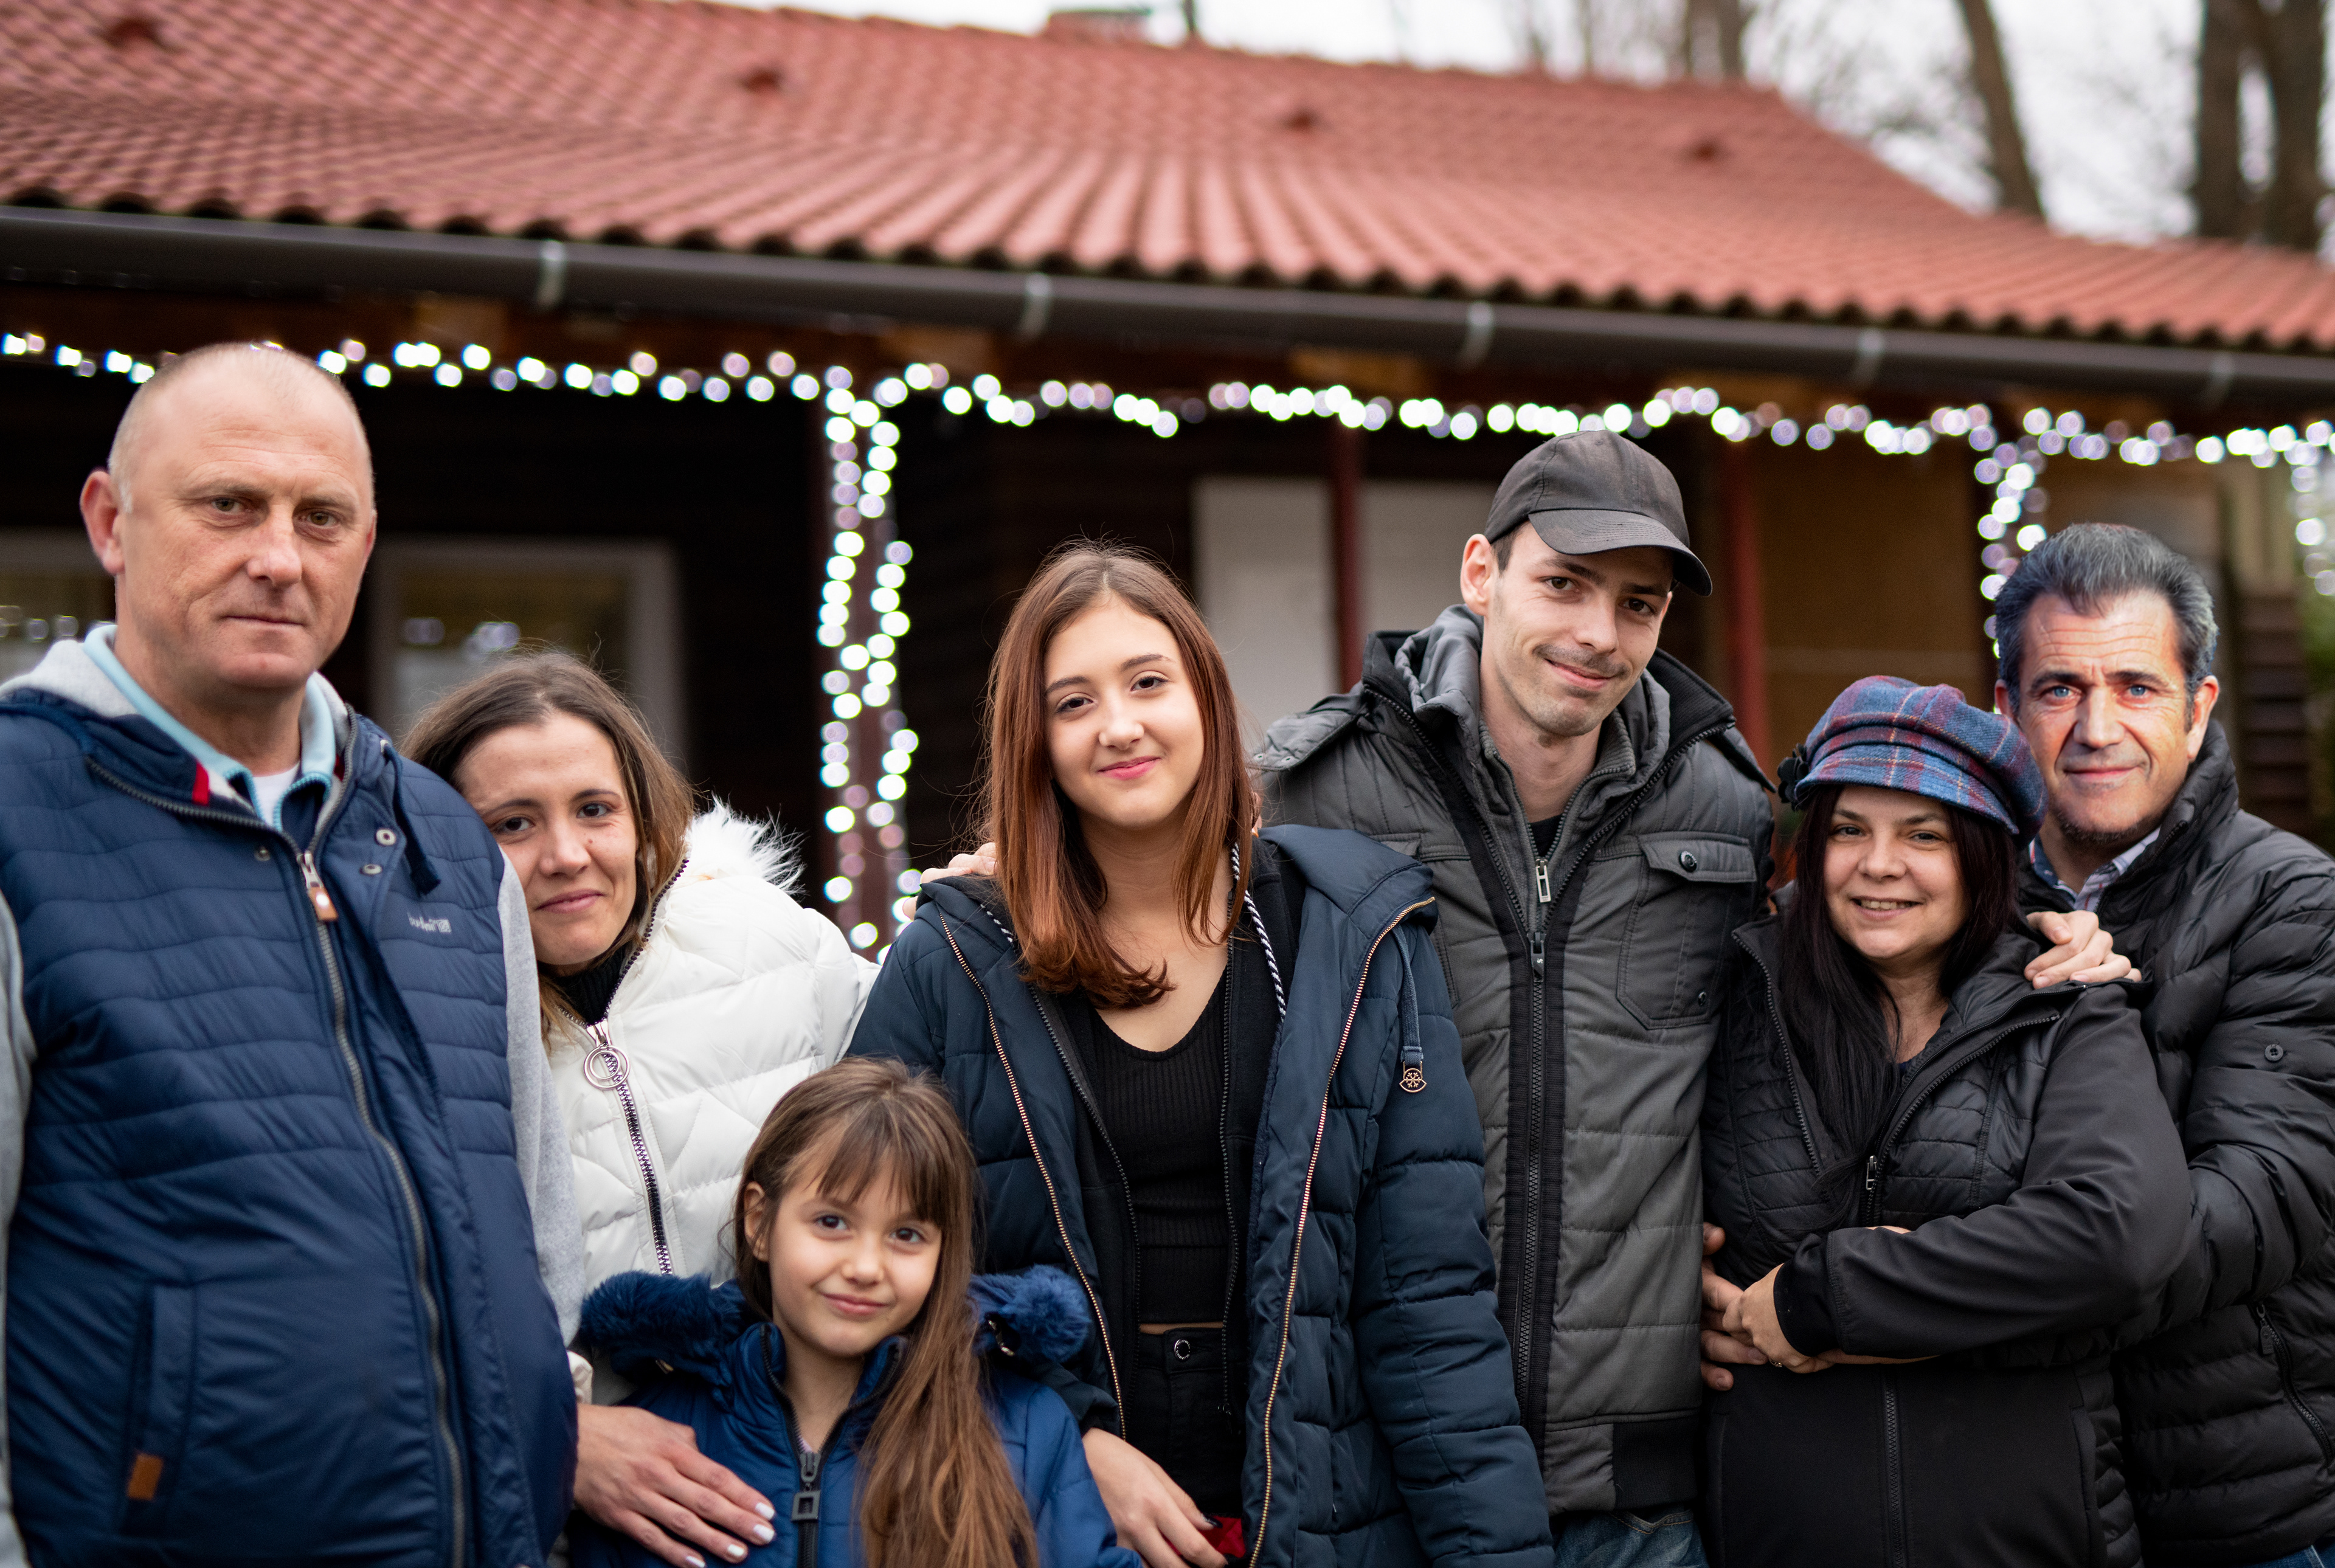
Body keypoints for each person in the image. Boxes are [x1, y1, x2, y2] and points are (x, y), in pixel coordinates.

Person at [1259, 427, 2127, 1562]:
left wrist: (2050, 922)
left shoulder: (1720, 805)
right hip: (1381, 1454)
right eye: (1563, 584)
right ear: (1481, 573)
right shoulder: (1318, 786)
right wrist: (999, 878)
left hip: (1641, 1485)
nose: (1596, 634)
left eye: (1638, 604)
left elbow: (1871, 912)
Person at [849, 541, 1555, 1568]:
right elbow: (858, 1266)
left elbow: (1429, 1309)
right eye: (1074, 701)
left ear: (1207, 700)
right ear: (1034, 738)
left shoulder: (1349, 937)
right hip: (1043, 1520)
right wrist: (1060, 1434)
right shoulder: (952, 961)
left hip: (1322, 1520)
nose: (1121, 724)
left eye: (1148, 682)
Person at [0, 341, 579, 1564]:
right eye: (228, 507)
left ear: (364, 548)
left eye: (322, 518)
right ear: (111, 522)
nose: (277, 556)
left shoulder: (440, 841)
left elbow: (534, 1227)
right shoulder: (16, 817)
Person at [1697, 677, 2189, 1566]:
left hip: (2027, 1541)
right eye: (1849, 830)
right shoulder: (1739, 995)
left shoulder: (2064, 1008)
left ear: (1983, 855)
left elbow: (2117, 1232)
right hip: (1772, 1535)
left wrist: (1827, 1300)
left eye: (1923, 834)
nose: (1878, 865)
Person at [407, 653, 877, 1568]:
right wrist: (561, 1435)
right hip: (574, 1527)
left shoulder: (774, 946)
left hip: (819, 1486)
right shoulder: (425, 1024)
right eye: (513, 824)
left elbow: (933, 1117)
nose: (567, 856)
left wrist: (976, 917)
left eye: (595, 810)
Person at [1991, 523, 2335, 1568]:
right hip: (2016, 1491)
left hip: (2241, 1495)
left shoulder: (2295, 901)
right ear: (2006, 709)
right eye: (2059, 690)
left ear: (2200, 706)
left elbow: (2259, 1205)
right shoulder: (1954, 895)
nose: (2097, 726)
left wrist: (1925, 1298)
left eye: (2136, 687)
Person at [570, 1058, 1139, 1568]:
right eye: (832, 1223)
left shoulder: (1027, 1429)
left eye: (907, 1234)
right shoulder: (656, 1445)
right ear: (760, 1222)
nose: (867, 1266)